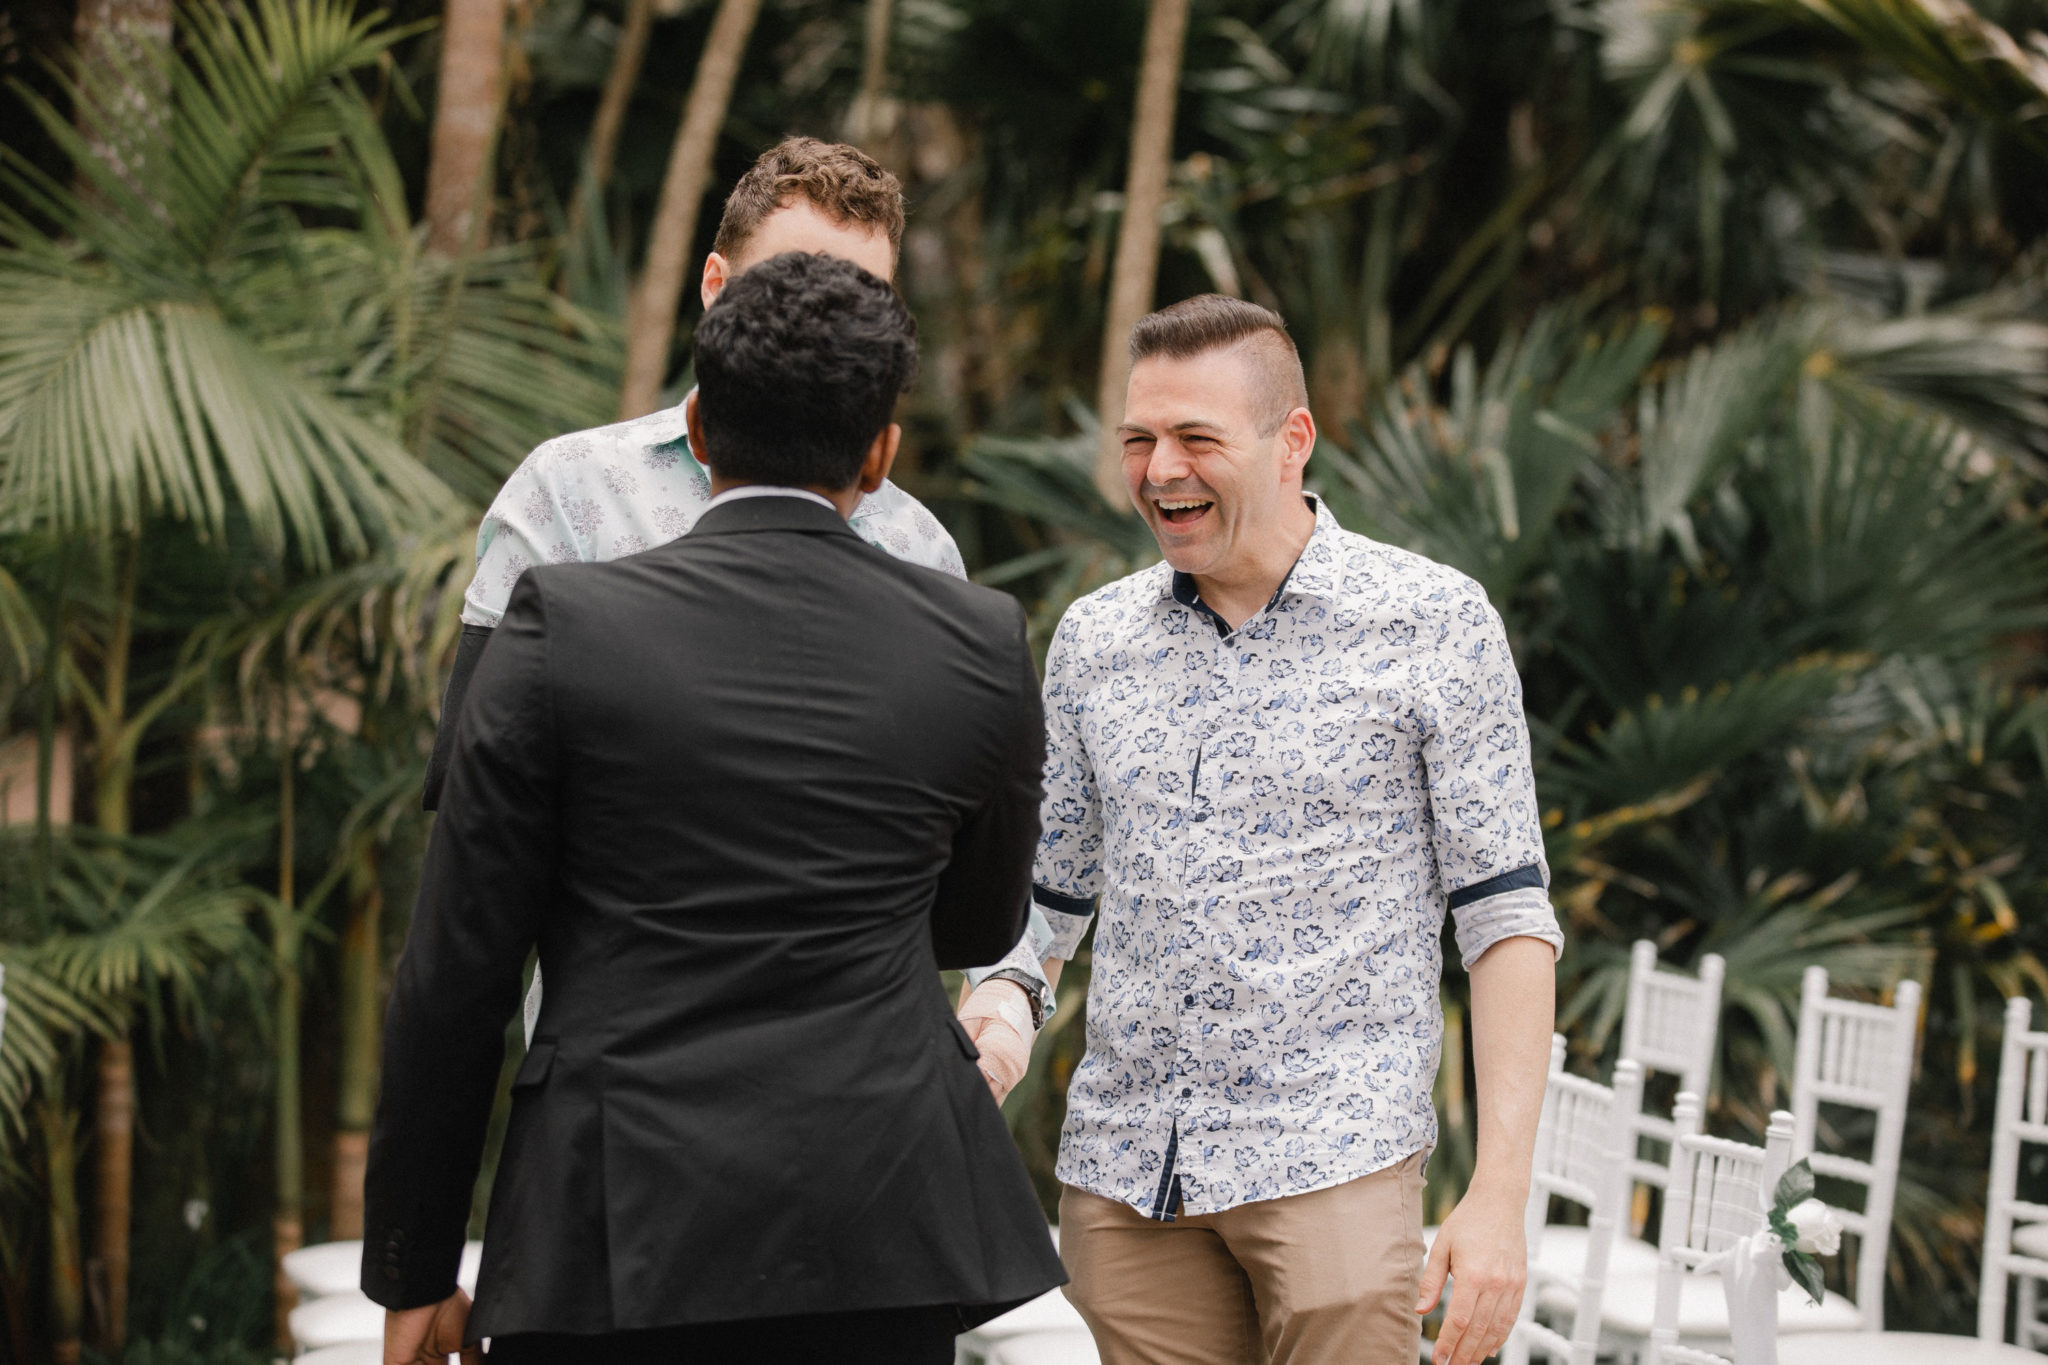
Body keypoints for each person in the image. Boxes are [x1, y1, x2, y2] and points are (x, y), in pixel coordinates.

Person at [360, 252, 1066, 1365]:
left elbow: (457, 975)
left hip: (610, 1223)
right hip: (882, 1229)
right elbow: (976, 926)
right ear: (879, 453)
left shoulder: (561, 627)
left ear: (696, 431)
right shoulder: (978, 639)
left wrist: (411, 1266)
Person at [982, 295, 1562, 1365]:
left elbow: (1505, 919)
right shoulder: (1092, 642)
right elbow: (1051, 889)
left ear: (1291, 440)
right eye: (1139, 441)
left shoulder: (1434, 625)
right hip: (1125, 1178)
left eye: (1196, 439)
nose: (1161, 471)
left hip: (1332, 1167)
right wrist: (1005, 998)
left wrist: (1497, 1196)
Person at [422, 135, 965, 813]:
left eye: (858, 301)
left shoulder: (924, 548)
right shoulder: (568, 488)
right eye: (784, 281)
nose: (817, 323)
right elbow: (476, 785)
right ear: (715, 285)